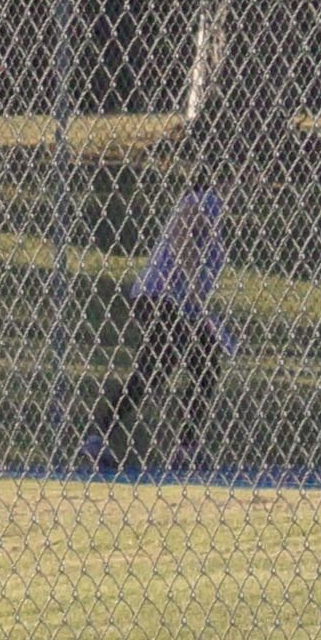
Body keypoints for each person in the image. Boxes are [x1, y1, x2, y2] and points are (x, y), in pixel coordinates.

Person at [83, 183, 233, 473]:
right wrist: (191, 284)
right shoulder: (204, 199)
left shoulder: (218, 211)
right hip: (160, 299)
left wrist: (201, 305)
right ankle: (98, 434)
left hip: (182, 305)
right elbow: (182, 235)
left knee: (201, 368)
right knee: (157, 372)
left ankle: (185, 446)